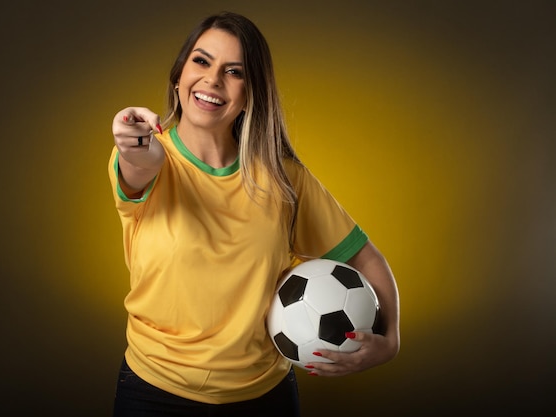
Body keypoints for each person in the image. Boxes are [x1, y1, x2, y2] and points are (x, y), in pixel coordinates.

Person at [108, 11, 400, 417]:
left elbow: (365, 256)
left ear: (251, 93)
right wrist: (133, 143)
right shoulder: (151, 161)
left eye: (234, 71)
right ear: (179, 76)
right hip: (154, 392)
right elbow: (139, 161)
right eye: (202, 61)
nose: (212, 79)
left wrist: (390, 340)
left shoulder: (284, 179)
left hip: (263, 397)